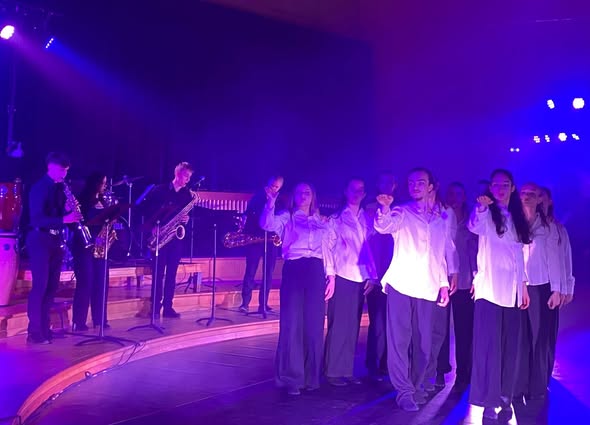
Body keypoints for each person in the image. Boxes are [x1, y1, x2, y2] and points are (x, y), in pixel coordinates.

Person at [374, 167, 451, 412]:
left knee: (424, 345)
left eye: (420, 182)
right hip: (401, 284)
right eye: (411, 182)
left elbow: (440, 255)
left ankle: (416, 386)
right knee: (399, 340)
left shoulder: (441, 218)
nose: (415, 186)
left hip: (427, 287)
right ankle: (404, 391)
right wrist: (385, 208)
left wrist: (443, 284)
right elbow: (384, 226)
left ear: (431, 187)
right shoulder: (402, 211)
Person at [260, 182, 334, 396]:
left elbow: (327, 249)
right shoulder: (287, 217)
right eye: (299, 192)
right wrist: (270, 202)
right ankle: (291, 377)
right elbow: (267, 224)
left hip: (316, 270)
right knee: (292, 322)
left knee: (314, 323)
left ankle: (311, 377)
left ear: (313, 196)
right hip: (294, 268)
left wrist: (331, 276)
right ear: (294, 196)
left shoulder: (321, 220)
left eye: (307, 192)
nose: (303, 195)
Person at [468, 169, 531, 421]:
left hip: (512, 292)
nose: (500, 189)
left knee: (509, 348)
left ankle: (506, 398)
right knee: (489, 349)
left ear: (512, 188)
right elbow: (474, 226)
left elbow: (519, 255)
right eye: (495, 185)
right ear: (490, 188)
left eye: (505, 184)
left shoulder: (517, 217)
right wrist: (482, 208)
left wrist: (523, 287)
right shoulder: (486, 214)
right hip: (490, 291)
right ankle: (489, 401)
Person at [323, 178, 377, 386]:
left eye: (361, 189)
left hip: (360, 277)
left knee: (353, 325)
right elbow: (327, 248)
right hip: (342, 275)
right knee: (338, 324)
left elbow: (369, 248)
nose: (357, 192)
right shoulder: (336, 219)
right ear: (346, 191)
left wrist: (372, 275)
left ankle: (345, 370)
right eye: (353, 189)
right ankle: (332, 371)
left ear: (365, 194)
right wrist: (330, 275)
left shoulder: (367, 218)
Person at [26, 152, 81, 344]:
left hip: (56, 240)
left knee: (51, 287)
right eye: (61, 170)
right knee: (40, 286)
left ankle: (45, 328)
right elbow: (37, 219)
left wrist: (69, 210)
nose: (64, 175)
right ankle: (34, 331)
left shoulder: (61, 188)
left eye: (66, 171)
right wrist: (64, 219)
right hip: (39, 238)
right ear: (50, 167)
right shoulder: (39, 188)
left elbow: (59, 215)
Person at [515, 182, 562, 401]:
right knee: (520, 338)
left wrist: (557, 289)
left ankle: (537, 386)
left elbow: (555, 259)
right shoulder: (513, 223)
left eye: (531, 194)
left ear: (538, 198)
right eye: (523, 193)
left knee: (538, 338)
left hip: (541, 287)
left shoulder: (548, 227)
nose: (526, 197)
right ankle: (519, 385)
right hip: (517, 286)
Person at [145, 162, 195, 318]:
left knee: (171, 274)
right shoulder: (159, 190)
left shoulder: (187, 195)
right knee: (158, 274)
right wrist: (153, 226)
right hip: (160, 237)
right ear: (178, 174)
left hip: (175, 239)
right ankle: (155, 308)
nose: (187, 180)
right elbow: (147, 211)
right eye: (186, 176)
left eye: (189, 177)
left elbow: (187, 215)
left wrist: (187, 219)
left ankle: (168, 307)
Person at [423, 180, 459, 391]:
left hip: (439, 276)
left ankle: (433, 371)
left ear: (433, 187)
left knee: (438, 328)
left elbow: (449, 244)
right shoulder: (412, 210)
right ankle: (417, 374)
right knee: (419, 327)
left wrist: (453, 272)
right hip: (417, 276)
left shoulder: (446, 212)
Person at [539, 187, 575, 380]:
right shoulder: (527, 226)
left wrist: (567, 287)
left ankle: (545, 374)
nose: (538, 200)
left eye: (542, 196)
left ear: (550, 201)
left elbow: (566, 259)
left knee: (548, 332)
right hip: (533, 285)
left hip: (553, 287)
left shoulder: (559, 228)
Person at [364, 171, 396, 381]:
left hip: (395, 272)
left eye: (389, 183)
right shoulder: (369, 207)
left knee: (391, 322)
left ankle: (387, 364)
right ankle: (372, 364)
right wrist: (371, 272)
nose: (386, 186)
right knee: (377, 322)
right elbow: (367, 239)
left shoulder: (400, 209)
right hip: (376, 272)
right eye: (382, 182)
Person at [71, 173, 112, 331]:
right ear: (95, 183)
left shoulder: (103, 201)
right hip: (84, 247)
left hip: (100, 247)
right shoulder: (82, 201)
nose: (105, 186)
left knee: (101, 282)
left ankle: (100, 319)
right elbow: (77, 224)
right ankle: (79, 321)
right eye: (103, 183)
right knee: (86, 282)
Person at [447, 182, 478, 391]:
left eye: (459, 194)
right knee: (439, 330)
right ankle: (439, 369)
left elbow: (476, 250)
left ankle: (465, 372)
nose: (456, 198)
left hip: (465, 281)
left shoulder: (471, 221)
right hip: (443, 279)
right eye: (452, 194)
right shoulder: (442, 217)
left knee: (464, 329)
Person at [238, 176, 284, 313]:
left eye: (276, 187)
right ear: (267, 184)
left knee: (268, 273)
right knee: (250, 270)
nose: (273, 189)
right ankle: (245, 303)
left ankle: (263, 304)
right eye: (272, 186)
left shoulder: (280, 200)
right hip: (255, 238)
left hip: (270, 241)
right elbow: (248, 214)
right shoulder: (257, 197)